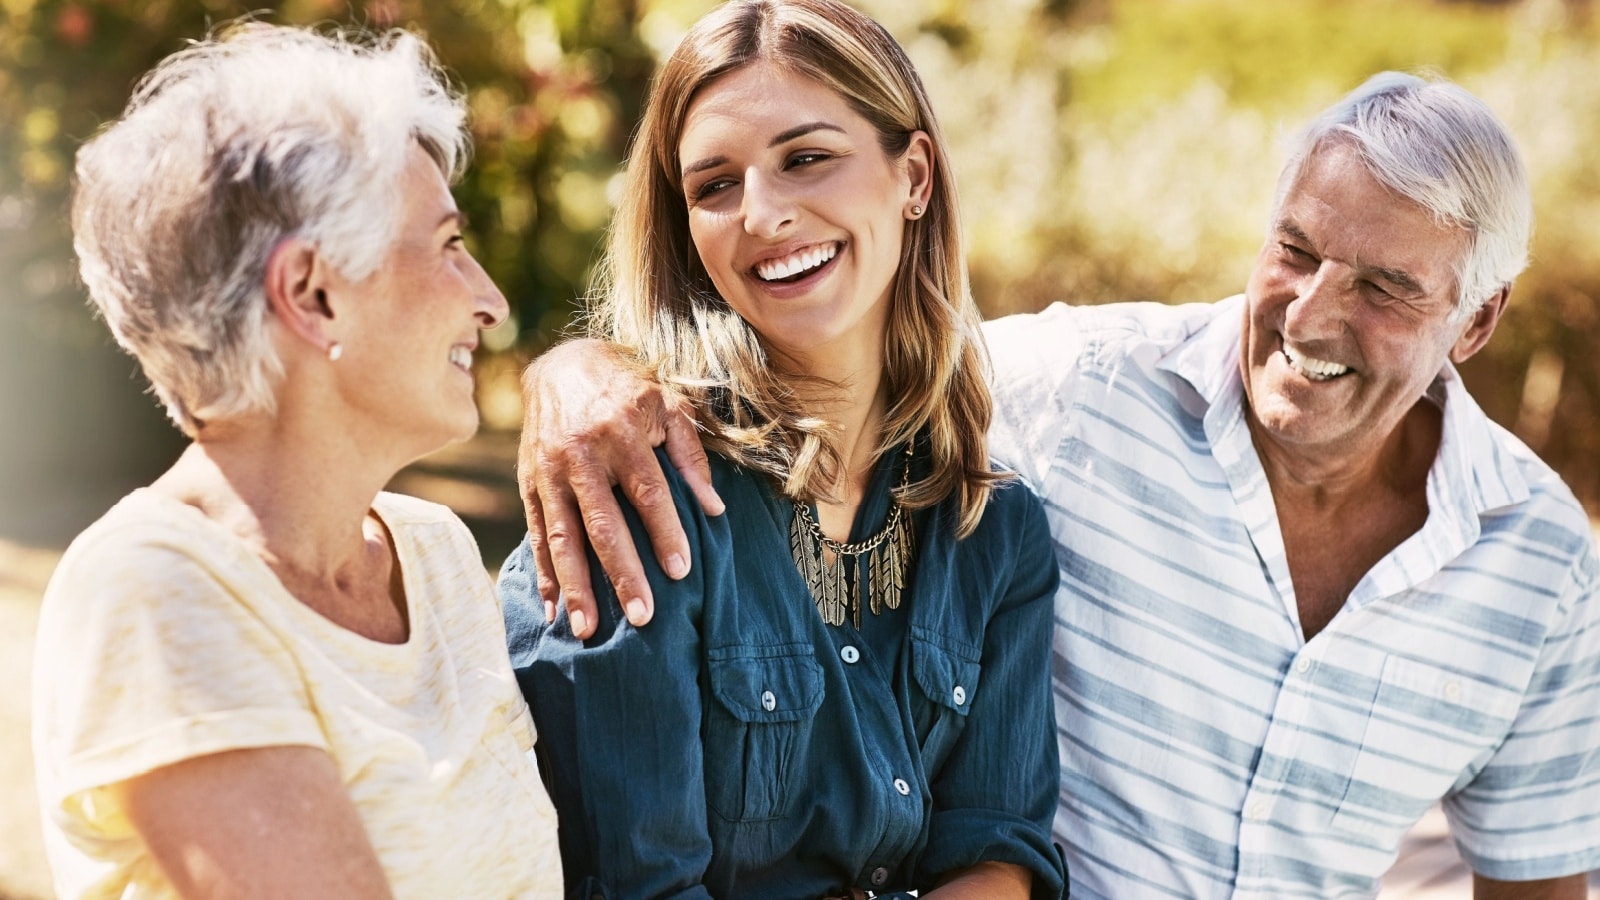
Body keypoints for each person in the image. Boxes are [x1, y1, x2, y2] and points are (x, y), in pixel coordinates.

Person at [516, 71, 1600, 898]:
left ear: (1477, 322)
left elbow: (1539, 882)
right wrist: (578, 371)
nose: (1311, 316)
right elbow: (839, 355)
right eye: (1295, 251)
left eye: (1383, 288)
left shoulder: (1542, 568)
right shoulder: (1073, 388)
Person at [497, 1, 1065, 897]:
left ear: (913, 176)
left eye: (806, 159)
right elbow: (633, 884)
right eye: (715, 185)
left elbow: (1001, 848)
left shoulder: (993, 528)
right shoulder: (637, 492)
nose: (763, 214)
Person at [31, 24, 562, 899]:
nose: (490, 301)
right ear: (313, 295)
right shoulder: (153, 588)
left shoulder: (435, 553)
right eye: (447, 246)